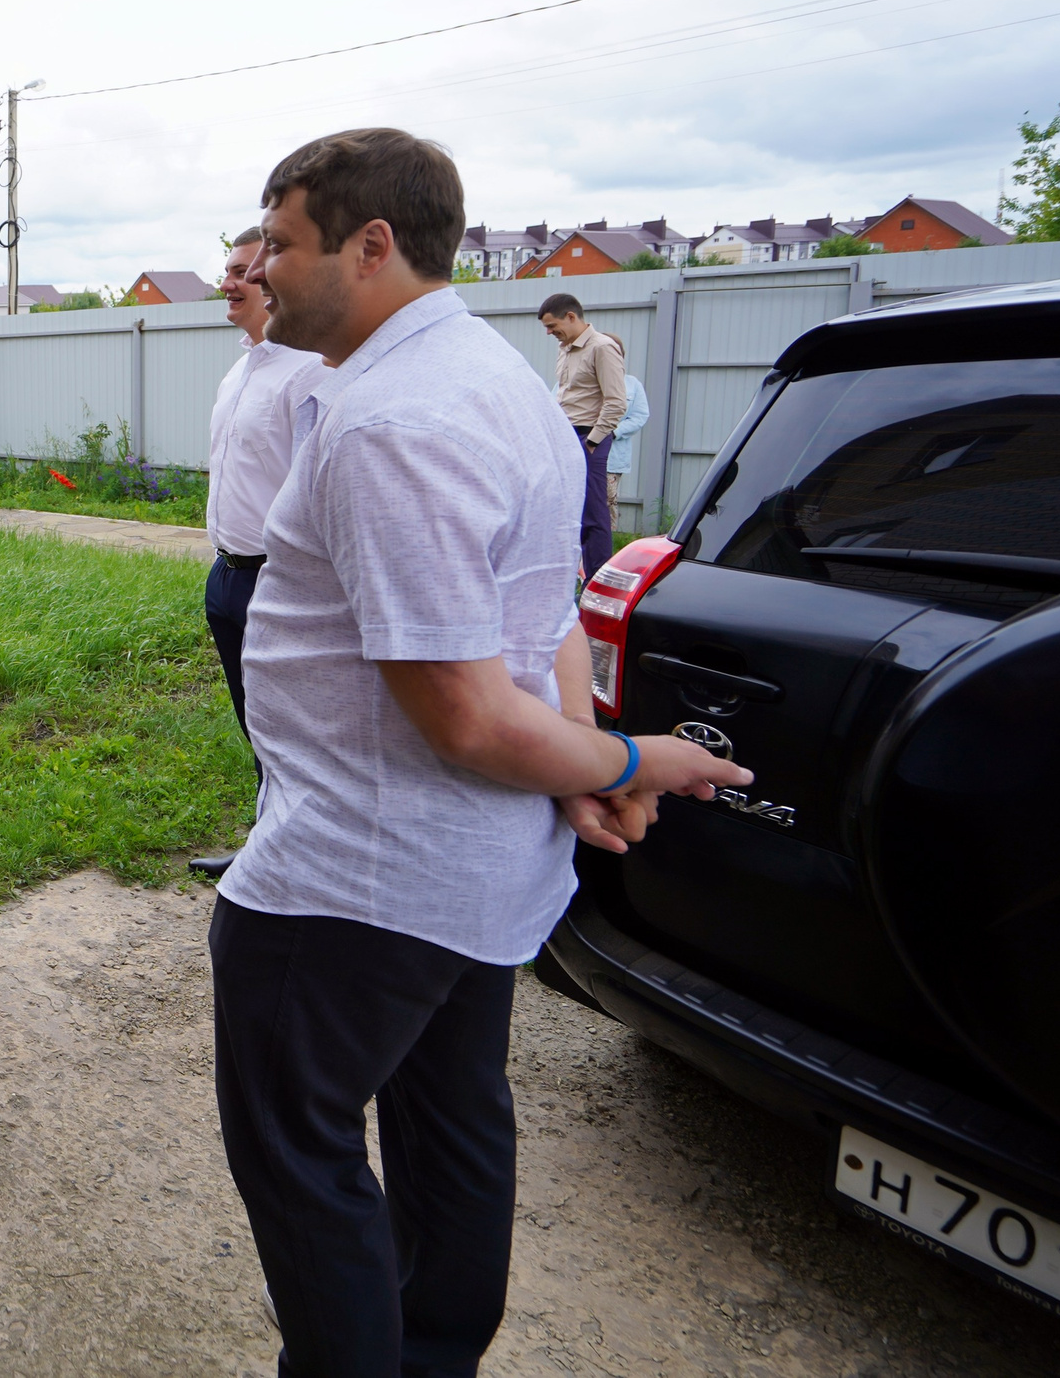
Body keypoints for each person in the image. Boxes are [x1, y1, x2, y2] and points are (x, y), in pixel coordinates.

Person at [214, 127, 750, 1376]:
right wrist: (580, 760)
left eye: (279, 243)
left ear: (370, 244)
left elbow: (460, 712)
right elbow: (545, 610)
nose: (258, 268)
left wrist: (624, 765)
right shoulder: (494, 380)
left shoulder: (390, 422)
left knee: (300, 1155)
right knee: (451, 1120)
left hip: (359, 878)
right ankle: (437, 1354)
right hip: (472, 871)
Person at [190, 227, 326, 882]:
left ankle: (302, 861)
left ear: (274, 279)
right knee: (257, 725)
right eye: (227, 270)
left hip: (279, 580)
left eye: (243, 270)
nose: (228, 283)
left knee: (292, 732)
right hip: (228, 574)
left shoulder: (310, 373)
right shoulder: (240, 371)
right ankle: (269, 844)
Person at [538, 292, 626, 578]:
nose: (549, 332)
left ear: (571, 316)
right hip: (566, 435)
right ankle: (573, 575)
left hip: (588, 436)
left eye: (552, 326)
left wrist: (592, 442)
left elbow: (616, 402)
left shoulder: (602, 347)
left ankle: (597, 580)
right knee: (566, 509)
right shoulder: (565, 347)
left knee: (592, 512)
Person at [607, 367, 650, 522]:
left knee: (607, 503)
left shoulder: (632, 384)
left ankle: (607, 536)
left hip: (612, 458)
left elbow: (640, 416)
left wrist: (613, 432)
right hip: (578, 454)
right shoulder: (575, 377)